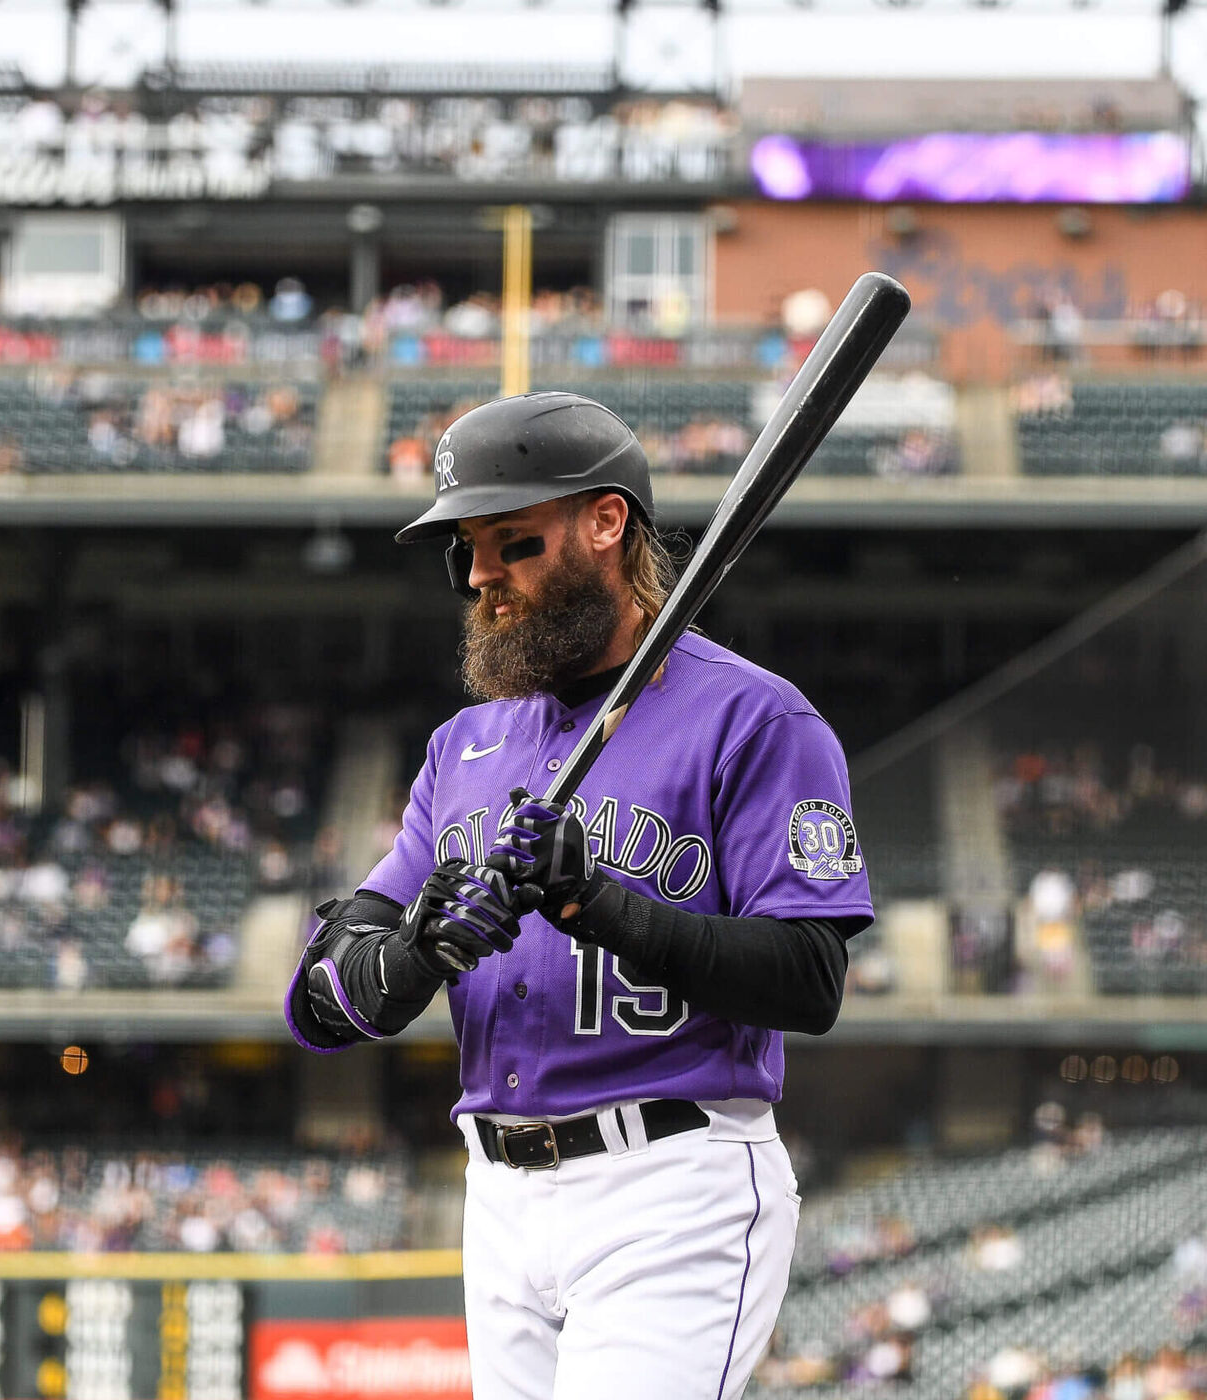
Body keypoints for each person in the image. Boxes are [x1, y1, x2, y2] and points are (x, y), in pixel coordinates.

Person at [285, 391, 872, 1399]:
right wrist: (415, 954)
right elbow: (321, 1002)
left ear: (604, 522)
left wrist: (599, 903)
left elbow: (808, 979)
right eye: (464, 550)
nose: (478, 576)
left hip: (670, 1178)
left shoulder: (755, 719)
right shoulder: (461, 746)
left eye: (510, 542)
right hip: (499, 1193)